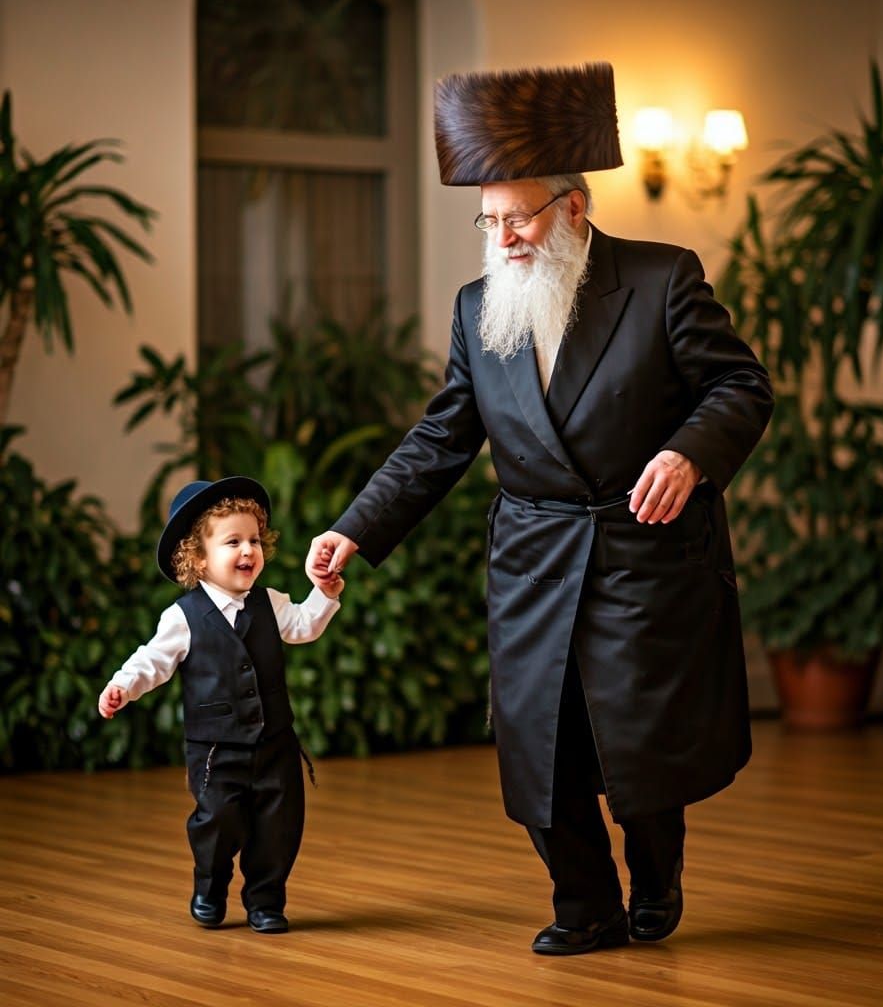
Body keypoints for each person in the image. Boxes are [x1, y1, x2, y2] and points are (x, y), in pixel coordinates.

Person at [306, 62, 774, 955]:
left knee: (639, 750)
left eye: (517, 217)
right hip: (532, 558)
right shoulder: (479, 308)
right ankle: (584, 905)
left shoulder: (662, 279)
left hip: (642, 550)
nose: (504, 236)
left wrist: (688, 452)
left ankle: (656, 876)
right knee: (541, 750)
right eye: (490, 221)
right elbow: (442, 436)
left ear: (572, 207)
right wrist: (354, 530)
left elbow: (740, 385)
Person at [99, 476, 343, 934]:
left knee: (279, 827)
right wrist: (122, 686)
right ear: (198, 557)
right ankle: (209, 886)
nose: (248, 550)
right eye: (233, 541)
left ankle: (266, 901)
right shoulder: (183, 617)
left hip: (275, 745)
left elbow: (305, 626)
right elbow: (153, 659)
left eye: (254, 540)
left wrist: (324, 593)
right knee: (217, 823)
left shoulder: (271, 603)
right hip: (216, 751)